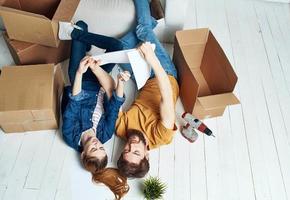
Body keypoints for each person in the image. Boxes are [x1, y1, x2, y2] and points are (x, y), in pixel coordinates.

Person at [115, 0, 179, 178]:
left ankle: (153, 19)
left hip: (142, 80)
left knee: (118, 47)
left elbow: (114, 100)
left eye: (127, 150)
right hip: (165, 75)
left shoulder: (122, 131)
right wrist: (151, 58)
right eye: (136, 152)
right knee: (142, 31)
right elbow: (166, 94)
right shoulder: (161, 136)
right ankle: (151, 20)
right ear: (147, 155)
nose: (132, 145)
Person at [60, 21, 131, 174]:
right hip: (100, 81)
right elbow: (113, 109)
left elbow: (75, 103)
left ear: (83, 154)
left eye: (93, 148)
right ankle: (79, 38)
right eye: (101, 147)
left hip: (81, 81)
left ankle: (78, 35)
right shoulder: (105, 135)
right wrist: (121, 83)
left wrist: (80, 71)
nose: (96, 143)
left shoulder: (69, 135)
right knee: (117, 46)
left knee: (80, 25)